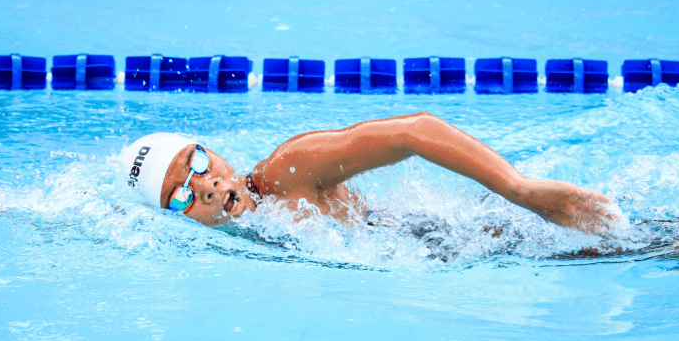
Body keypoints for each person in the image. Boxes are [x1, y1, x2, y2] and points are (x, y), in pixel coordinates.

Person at [120, 112, 619, 234]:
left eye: (199, 165)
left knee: (638, 244)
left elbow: (414, 131)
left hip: (452, 240)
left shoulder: (285, 172)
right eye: (180, 196)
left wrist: (521, 190)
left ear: (218, 157)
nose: (204, 187)